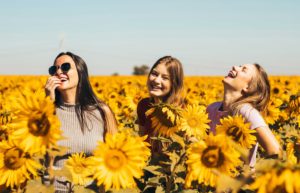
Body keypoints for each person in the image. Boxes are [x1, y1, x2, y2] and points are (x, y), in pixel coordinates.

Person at [45, 52, 118, 192]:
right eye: (54, 69)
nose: (59, 72)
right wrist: (48, 104)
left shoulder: (102, 112)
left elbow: (114, 153)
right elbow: (40, 154)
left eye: (65, 67)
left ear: (80, 71)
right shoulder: (47, 111)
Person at [206, 63, 281, 167]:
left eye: (243, 69)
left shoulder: (246, 112)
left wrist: (258, 175)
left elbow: (275, 151)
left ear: (248, 87)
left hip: (239, 180)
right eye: (239, 66)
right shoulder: (212, 108)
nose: (234, 67)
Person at [136, 56, 185, 153]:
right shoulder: (144, 105)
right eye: (154, 74)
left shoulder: (184, 111)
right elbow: (142, 141)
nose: (156, 80)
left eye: (165, 78)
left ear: (174, 83)